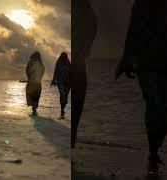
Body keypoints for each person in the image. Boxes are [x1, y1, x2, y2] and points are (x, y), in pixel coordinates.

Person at [116, 0, 167, 170]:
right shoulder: (141, 5)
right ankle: (153, 152)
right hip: (148, 65)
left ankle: (155, 147)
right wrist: (126, 60)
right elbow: (133, 31)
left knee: (163, 110)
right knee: (154, 105)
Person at [72, 0, 97, 149]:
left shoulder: (82, 12)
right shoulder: (89, 13)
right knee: (76, 104)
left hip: (75, 64)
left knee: (72, 104)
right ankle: (71, 138)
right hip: (79, 65)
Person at [51, 52, 71, 119]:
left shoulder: (68, 62)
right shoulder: (58, 62)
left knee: (65, 97)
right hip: (60, 82)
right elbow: (55, 71)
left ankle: (63, 107)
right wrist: (54, 80)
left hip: (68, 83)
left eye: (65, 57)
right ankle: (62, 110)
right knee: (62, 94)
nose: (64, 58)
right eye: (63, 57)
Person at [26, 51, 45, 115]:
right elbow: (42, 70)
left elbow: (27, 70)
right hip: (37, 82)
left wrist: (29, 77)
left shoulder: (31, 62)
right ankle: (34, 107)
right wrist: (39, 78)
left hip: (32, 81)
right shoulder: (40, 62)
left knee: (32, 94)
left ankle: (33, 107)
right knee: (36, 95)